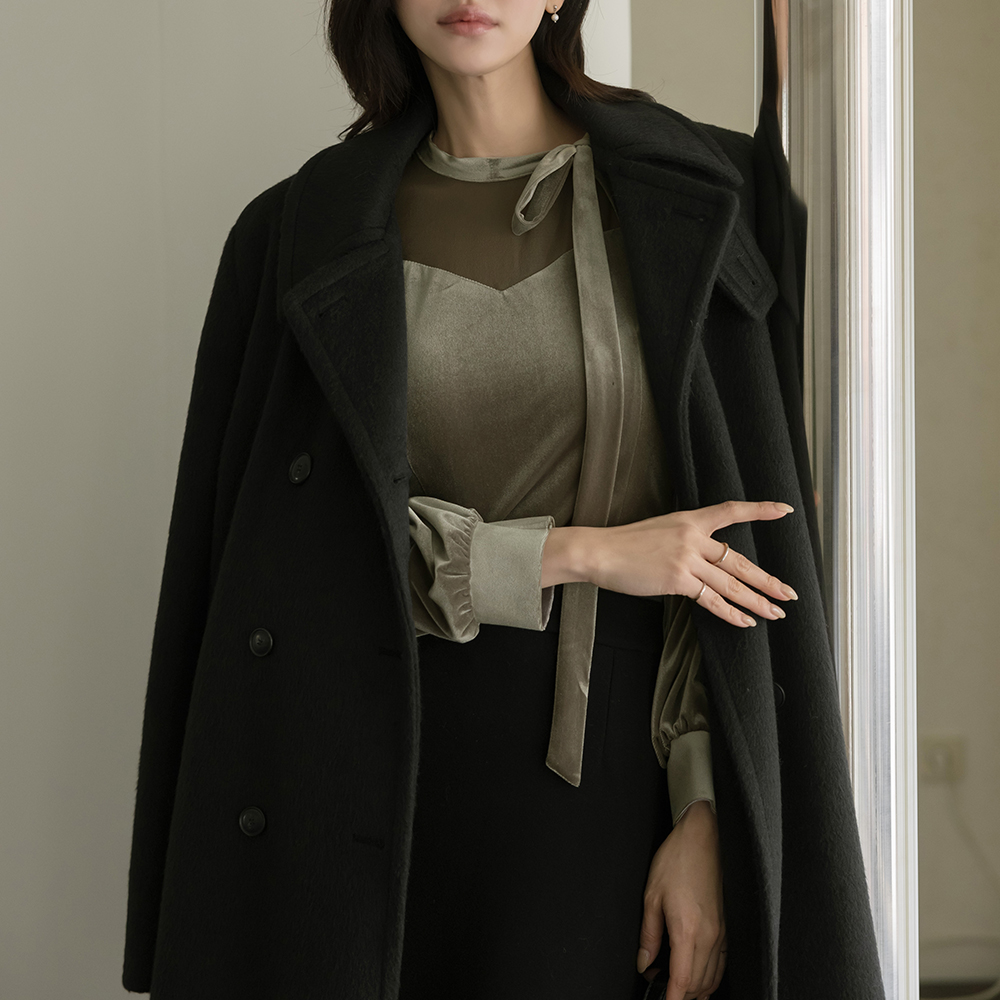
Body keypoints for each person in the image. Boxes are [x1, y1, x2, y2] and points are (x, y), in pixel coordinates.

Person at [122, 2, 886, 999]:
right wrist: (577, 553)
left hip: (613, 796)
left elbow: (730, 546)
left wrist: (706, 811)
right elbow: (287, 563)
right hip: (362, 797)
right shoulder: (293, 234)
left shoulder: (702, 194)